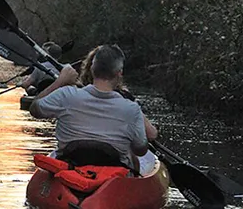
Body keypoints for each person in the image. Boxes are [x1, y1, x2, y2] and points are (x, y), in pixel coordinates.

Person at [28, 44, 160, 174]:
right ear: (119, 73)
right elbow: (140, 150)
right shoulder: (131, 109)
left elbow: (34, 108)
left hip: (69, 170)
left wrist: (60, 81)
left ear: (92, 69)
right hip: (112, 177)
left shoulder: (66, 95)